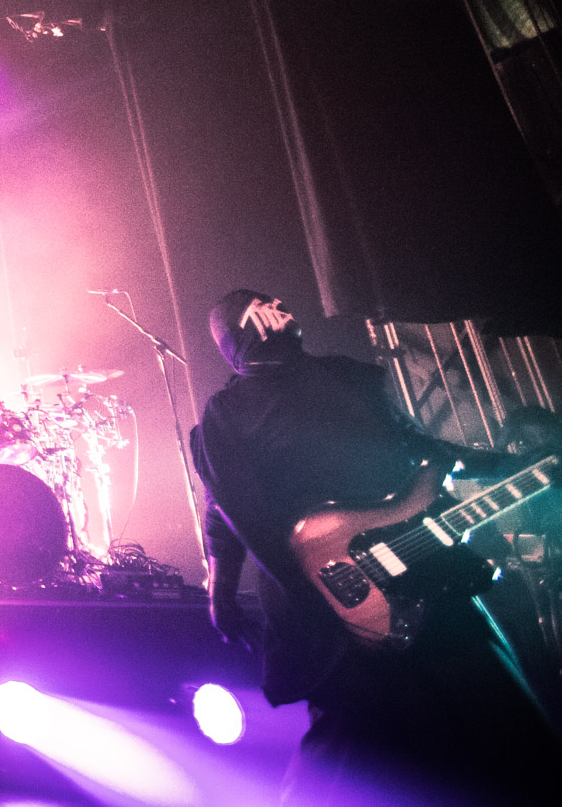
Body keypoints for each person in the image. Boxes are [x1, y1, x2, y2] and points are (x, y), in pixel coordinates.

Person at [192, 289, 562, 806]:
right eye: (264, 313)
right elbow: (231, 511)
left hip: (423, 569)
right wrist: (223, 590)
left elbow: (422, 451)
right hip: (331, 599)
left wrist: (506, 467)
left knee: (496, 726)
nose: (278, 316)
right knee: (356, 756)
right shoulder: (226, 415)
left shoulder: (348, 376)